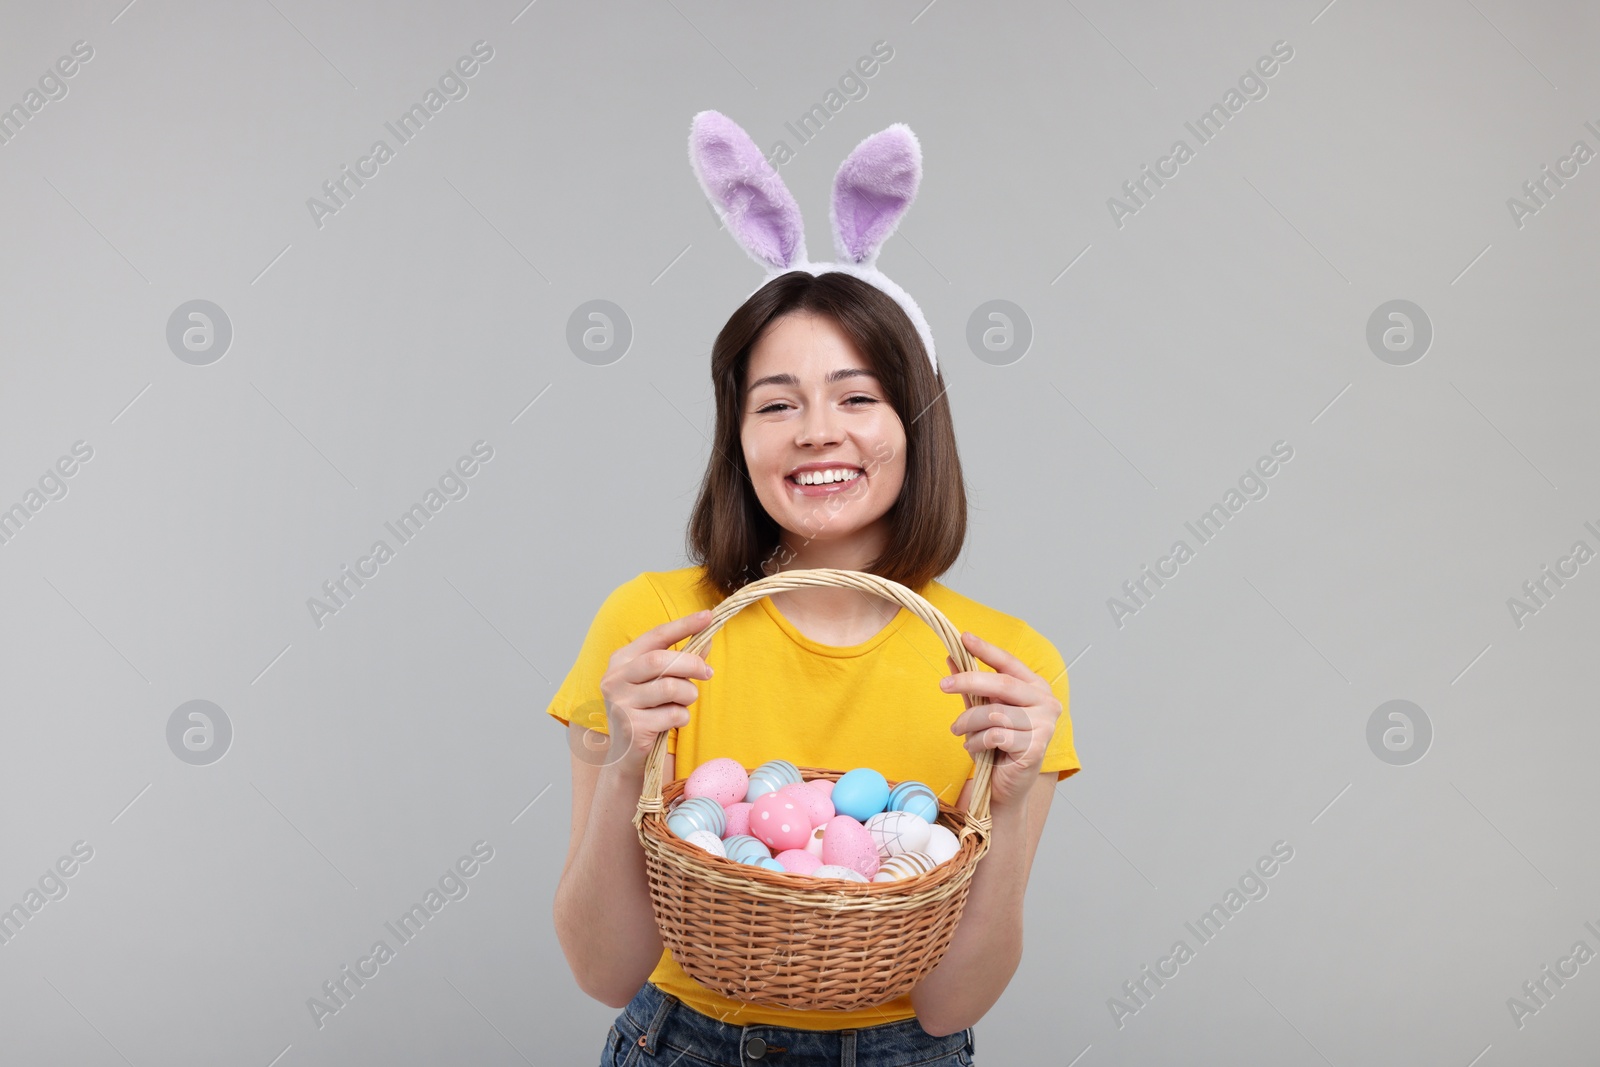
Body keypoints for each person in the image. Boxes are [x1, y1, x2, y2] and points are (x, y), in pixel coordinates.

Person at [549, 270, 1081, 1065]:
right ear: (738, 436)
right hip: (682, 1043)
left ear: (917, 422)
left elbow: (950, 1005)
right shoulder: (656, 632)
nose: (816, 431)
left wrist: (1002, 809)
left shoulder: (1004, 674)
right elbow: (603, 968)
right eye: (776, 403)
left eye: (856, 397)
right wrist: (627, 764)